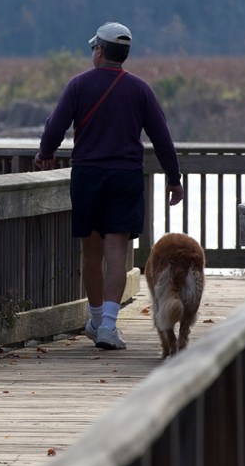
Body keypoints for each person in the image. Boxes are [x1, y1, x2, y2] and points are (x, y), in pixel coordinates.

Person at [33, 21, 184, 350]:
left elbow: (55, 126)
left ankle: (98, 318)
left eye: (93, 48)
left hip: (87, 175)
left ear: (100, 50)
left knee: (91, 252)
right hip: (124, 177)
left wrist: (45, 154)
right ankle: (107, 327)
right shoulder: (140, 90)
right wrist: (175, 179)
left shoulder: (78, 86)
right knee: (117, 252)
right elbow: (161, 139)